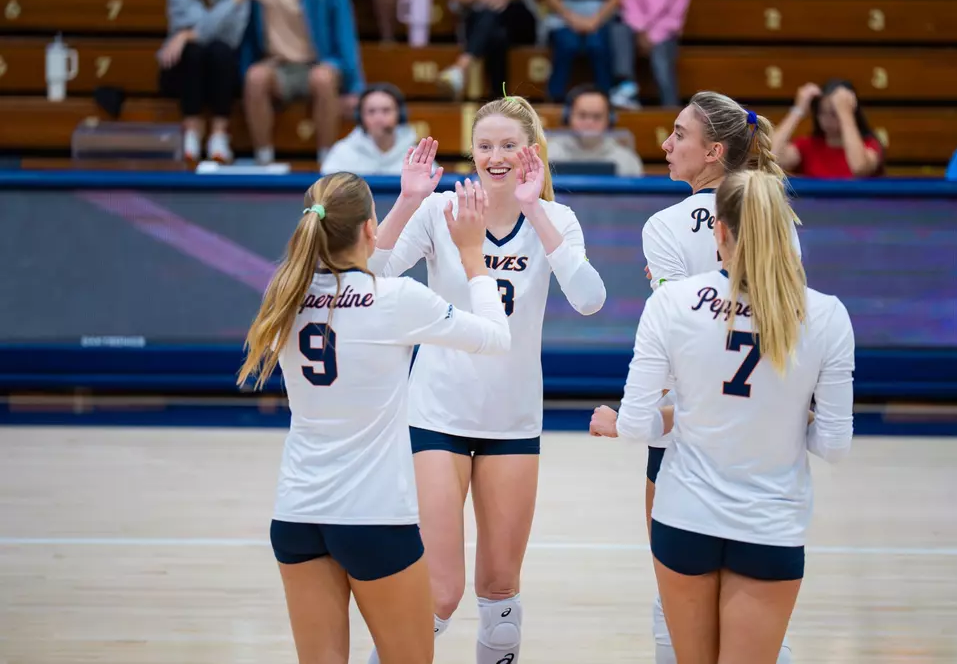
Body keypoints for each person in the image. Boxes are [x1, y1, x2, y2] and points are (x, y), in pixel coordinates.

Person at [364, 97, 607, 664]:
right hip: (436, 413)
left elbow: (591, 300)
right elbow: (372, 276)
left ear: (532, 152)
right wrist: (406, 201)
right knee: (439, 595)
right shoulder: (438, 210)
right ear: (470, 152)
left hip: (513, 418)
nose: (495, 157)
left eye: (507, 145)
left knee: (499, 593)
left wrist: (536, 209)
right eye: (484, 146)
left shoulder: (558, 220)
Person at [236, 169, 512, 664]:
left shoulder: (284, 294)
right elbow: (497, 337)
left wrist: (407, 202)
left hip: (298, 512)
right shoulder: (397, 300)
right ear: (370, 228)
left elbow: (354, 279)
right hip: (373, 516)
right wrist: (473, 255)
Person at [590, 168, 855, 664]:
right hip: (771, 523)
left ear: (720, 230)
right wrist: (778, 414)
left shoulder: (671, 302)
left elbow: (634, 426)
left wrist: (643, 420)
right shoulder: (827, 315)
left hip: (684, 516)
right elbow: (834, 445)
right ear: (785, 231)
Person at [640, 90, 802, 664]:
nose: (666, 144)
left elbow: (669, 340)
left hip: (685, 419)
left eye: (678, 134)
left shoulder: (663, 225)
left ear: (713, 151)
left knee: (677, 589)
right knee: (761, 594)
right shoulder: (778, 215)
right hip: (763, 421)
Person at [239, 0, 365, 166]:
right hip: (276, 65)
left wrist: (355, 86)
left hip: (317, 63)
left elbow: (344, 28)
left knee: (323, 79)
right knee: (255, 77)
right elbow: (246, 38)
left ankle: (327, 159)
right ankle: (263, 158)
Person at [159, 0, 252, 163]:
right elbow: (204, 28)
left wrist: (187, 34)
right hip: (181, 66)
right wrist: (233, 1)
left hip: (221, 67)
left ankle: (219, 134)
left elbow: (232, 38)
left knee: (220, 51)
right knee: (194, 51)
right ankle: (191, 131)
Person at [770, 79, 884, 179]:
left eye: (834, 114)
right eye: (822, 113)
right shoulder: (807, 146)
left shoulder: (869, 145)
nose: (827, 120)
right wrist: (797, 110)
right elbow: (770, 158)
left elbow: (860, 168)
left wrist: (845, 112)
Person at [320, 83, 417, 176]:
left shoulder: (415, 154)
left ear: (400, 115)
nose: (378, 118)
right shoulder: (343, 152)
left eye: (386, 110)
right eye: (371, 111)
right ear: (360, 117)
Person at [547, 84, 644, 177]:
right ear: (568, 118)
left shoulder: (626, 160)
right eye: (582, 115)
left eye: (597, 117)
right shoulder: (550, 155)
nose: (589, 123)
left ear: (609, 120)